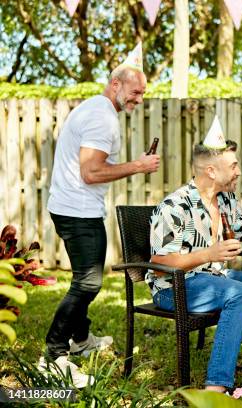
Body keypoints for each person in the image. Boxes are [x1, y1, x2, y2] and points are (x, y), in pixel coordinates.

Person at [39, 43, 161, 388]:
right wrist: (138, 166)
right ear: (116, 84)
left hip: (69, 206)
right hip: (78, 211)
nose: (139, 99)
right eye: (136, 92)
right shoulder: (101, 117)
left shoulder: (95, 109)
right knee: (89, 282)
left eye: (142, 94)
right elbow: (90, 172)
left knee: (85, 277)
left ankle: (80, 340)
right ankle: (53, 354)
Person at [147, 118, 242, 400]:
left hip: (213, 279)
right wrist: (209, 254)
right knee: (239, 293)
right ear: (211, 171)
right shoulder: (174, 206)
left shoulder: (225, 199)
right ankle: (216, 387)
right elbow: (161, 264)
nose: (238, 171)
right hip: (174, 287)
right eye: (233, 165)